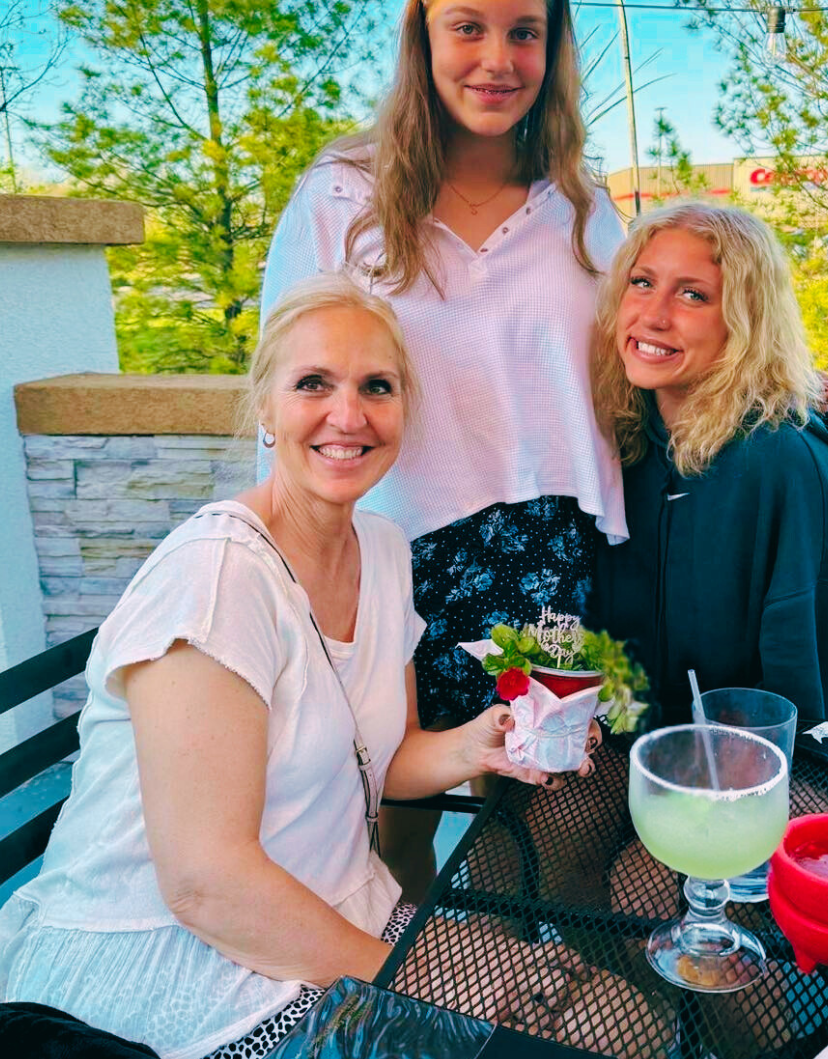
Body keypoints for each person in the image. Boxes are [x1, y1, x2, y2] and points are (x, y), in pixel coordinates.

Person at [0, 275, 598, 1059]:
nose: (347, 416)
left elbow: (384, 755)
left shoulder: (384, 550)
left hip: (332, 916)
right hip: (172, 964)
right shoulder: (216, 580)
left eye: (376, 387)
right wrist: (411, 982)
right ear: (267, 407)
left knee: (597, 1009)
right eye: (313, 383)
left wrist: (476, 745)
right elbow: (206, 884)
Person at [259, 0, 628, 894]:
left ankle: (530, 996)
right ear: (421, 42)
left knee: (543, 804)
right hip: (388, 553)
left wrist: (769, 381)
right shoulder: (343, 199)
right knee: (392, 812)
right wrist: (285, 563)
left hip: (550, 564)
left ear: (554, 52)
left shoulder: (582, 212)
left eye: (526, 33)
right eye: (468, 28)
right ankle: (418, 1007)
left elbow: (645, 358)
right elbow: (288, 382)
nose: (499, 60)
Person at [587, 203, 828, 729]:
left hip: (807, 749)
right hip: (644, 736)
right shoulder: (622, 443)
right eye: (642, 282)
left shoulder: (783, 459)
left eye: (694, 294)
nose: (654, 315)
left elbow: (809, 677)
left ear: (746, 320)